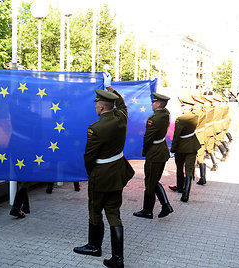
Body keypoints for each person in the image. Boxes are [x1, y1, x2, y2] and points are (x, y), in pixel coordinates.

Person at [73, 73, 134, 268]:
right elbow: (122, 105)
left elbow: (89, 157)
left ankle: (94, 246)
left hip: (101, 174)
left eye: (96, 103)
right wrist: (112, 89)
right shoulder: (121, 118)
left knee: (95, 209)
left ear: (101, 107)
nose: (95, 106)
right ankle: (118, 258)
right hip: (118, 172)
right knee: (114, 213)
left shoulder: (96, 128)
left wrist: (91, 173)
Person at [133, 92, 173, 219]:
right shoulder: (165, 114)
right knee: (153, 180)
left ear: (159, 104)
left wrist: (145, 151)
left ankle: (148, 210)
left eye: (154, 102)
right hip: (161, 149)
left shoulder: (154, 119)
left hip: (155, 152)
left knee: (150, 181)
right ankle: (165, 206)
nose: (152, 104)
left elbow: (148, 138)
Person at [169, 96, 201, 202]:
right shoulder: (195, 115)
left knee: (179, 167)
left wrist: (173, 148)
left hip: (181, 147)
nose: (181, 108)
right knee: (189, 170)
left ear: (185, 107)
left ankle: (179, 187)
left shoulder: (181, 119)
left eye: (182, 106)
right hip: (192, 145)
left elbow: (176, 135)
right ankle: (186, 194)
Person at [191, 95, 207, 185]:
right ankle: (203, 177)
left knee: (191, 158)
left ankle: (191, 176)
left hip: (194, 138)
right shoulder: (203, 112)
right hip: (201, 138)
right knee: (201, 158)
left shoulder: (196, 114)